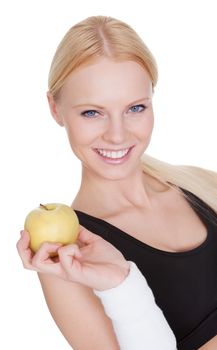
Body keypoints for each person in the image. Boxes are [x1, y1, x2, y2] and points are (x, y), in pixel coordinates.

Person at [17, 15, 217, 350]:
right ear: (55, 108)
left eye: (135, 107)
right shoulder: (68, 257)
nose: (118, 134)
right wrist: (122, 286)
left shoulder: (203, 185)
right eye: (92, 113)